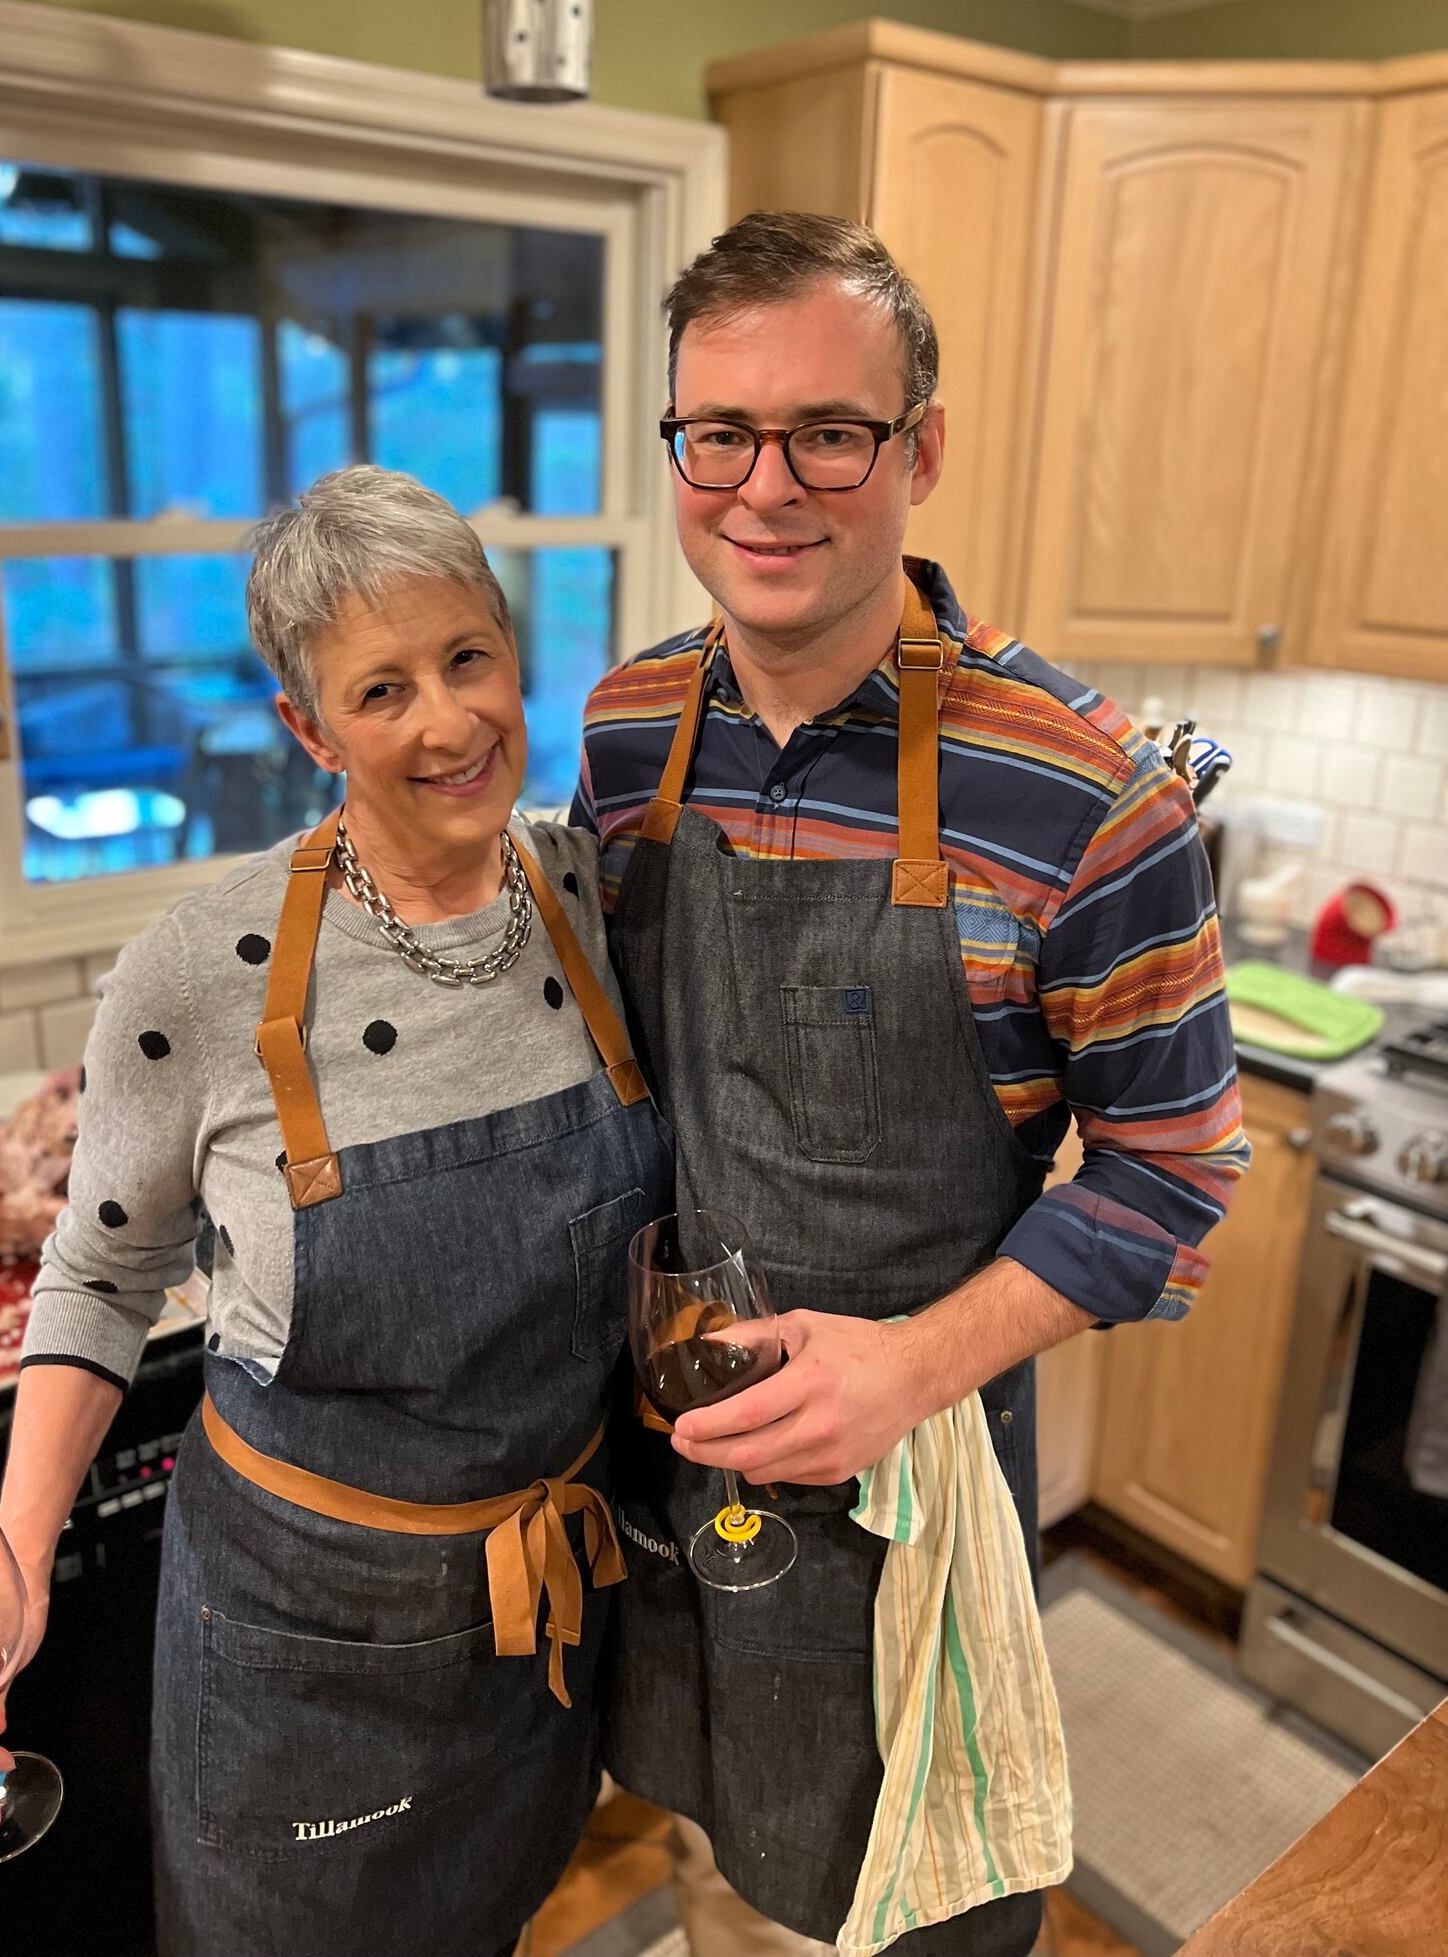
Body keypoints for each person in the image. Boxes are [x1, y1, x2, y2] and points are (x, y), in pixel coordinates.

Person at [575, 212, 1250, 1955]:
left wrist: (913, 1365)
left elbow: (1173, 1173)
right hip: (684, 1470)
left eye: (831, 431)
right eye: (716, 431)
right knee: (722, 1880)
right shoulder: (628, 732)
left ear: (921, 450)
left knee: (909, 1910)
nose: (765, 485)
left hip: (918, 1495)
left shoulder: (1091, 795)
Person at [0, 467, 674, 1957]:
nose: (448, 721)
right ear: (309, 729)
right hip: (303, 1653)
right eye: (380, 688)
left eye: (467, 657)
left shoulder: (591, 896)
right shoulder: (200, 973)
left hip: (537, 1631)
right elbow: (99, 1270)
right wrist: (14, 1550)